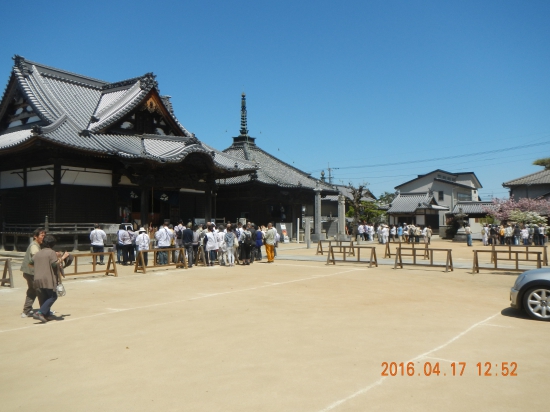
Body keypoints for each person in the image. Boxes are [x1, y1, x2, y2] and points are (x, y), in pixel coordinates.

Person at [32, 235, 69, 323]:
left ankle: (46, 315)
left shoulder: (38, 253)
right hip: (47, 278)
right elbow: (54, 264)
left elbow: (30, 263)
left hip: (37, 278)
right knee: (53, 296)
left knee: (44, 297)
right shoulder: (51, 252)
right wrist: (63, 257)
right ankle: (40, 312)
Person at [20, 227, 46, 318]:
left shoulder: (37, 245)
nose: (43, 237)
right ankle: (44, 311)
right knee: (40, 291)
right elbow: (36, 258)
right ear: (35, 236)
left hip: (28, 272)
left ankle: (26, 311)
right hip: (31, 272)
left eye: (44, 235)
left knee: (32, 291)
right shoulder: (34, 246)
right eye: (42, 235)